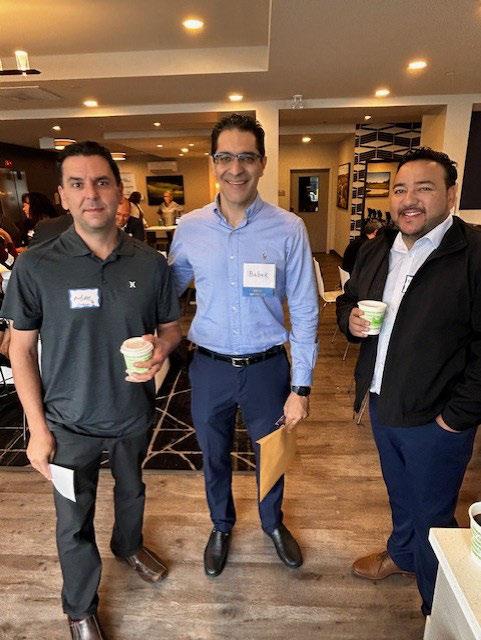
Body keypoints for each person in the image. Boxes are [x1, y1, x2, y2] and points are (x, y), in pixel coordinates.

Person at [1, 140, 181, 640]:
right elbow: (20, 350)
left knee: (132, 489)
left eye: (102, 182)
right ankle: (79, 608)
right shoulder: (37, 266)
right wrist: (37, 430)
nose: (91, 194)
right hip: (66, 421)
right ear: (62, 195)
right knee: (73, 520)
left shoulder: (150, 263)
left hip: (132, 410)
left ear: (119, 192)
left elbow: (171, 328)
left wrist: (162, 347)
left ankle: (129, 545)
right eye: (77, 184)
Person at [169, 114, 319, 577]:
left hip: (267, 368)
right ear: (213, 162)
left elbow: (306, 310)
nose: (236, 168)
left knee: (271, 453)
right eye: (225, 157)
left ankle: (272, 522)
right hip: (209, 367)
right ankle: (221, 525)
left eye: (247, 157)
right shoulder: (190, 227)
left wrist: (301, 387)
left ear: (262, 163)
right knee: (212, 454)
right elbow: (166, 294)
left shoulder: (289, 228)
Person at [336, 147, 481, 617]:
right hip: (383, 401)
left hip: (437, 418)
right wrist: (349, 320)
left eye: (424, 188)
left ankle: (438, 607)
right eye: (400, 189)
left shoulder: (473, 253)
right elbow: (349, 298)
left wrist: (456, 418)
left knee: (433, 515)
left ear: (451, 195)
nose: (409, 199)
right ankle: (402, 555)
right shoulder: (378, 247)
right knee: (400, 493)